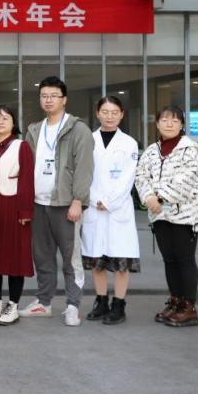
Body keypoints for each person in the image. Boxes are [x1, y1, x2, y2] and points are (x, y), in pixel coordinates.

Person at [21, 76, 94, 327]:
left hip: (65, 204)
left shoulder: (78, 129)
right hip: (38, 203)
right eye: (44, 96)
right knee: (42, 256)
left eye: (53, 96)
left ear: (64, 100)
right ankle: (44, 302)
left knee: (71, 258)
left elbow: (84, 168)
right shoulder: (34, 129)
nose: (48, 100)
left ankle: (73, 305)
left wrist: (78, 200)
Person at [135, 105, 198, 327]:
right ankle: (176, 302)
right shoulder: (151, 151)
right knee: (169, 260)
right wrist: (148, 197)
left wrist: (159, 198)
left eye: (175, 120)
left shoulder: (190, 150)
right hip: (159, 216)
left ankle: (189, 308)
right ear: (157, 123)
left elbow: (186, 181)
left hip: (185, 216)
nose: (169, 124)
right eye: (165, 120)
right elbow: (141, 176)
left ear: (181, 124)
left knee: (185, 260)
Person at [81, 96, 141, 325]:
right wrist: (94, 199)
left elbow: (128, 177)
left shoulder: (129, 143)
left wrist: (109, 201)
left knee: (120, 261)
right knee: (97, 260)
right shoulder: (88, 139)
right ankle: (101, 302)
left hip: (118, 209)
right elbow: (83, 173)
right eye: (105, 112)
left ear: (121, 114)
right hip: (93, 206)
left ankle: (119, 305)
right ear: (97, 113)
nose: (109, 116)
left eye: (114, 112)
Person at [0, 106, 35, 325]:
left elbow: (27, 180)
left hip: (13, 207)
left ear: (14, 123)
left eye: (6, 118)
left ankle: (13, 304)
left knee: (15, 257)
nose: (0, 121)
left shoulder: (21, 146)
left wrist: (25, 211)